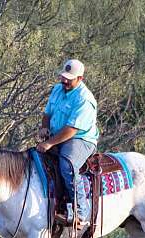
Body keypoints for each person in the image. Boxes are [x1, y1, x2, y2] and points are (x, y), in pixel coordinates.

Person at [36, 59, 99, 228]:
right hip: (57, 135)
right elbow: (47, 114)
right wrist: (44, 128)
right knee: (36, 159)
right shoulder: (57, 89)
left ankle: (81, 211)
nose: (64, 81)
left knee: (67, 165)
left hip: (80, 139)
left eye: (69, 79)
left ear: (80, 79)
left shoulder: (84, 99)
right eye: (63, 77)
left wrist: (49, 143)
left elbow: (72, 130)